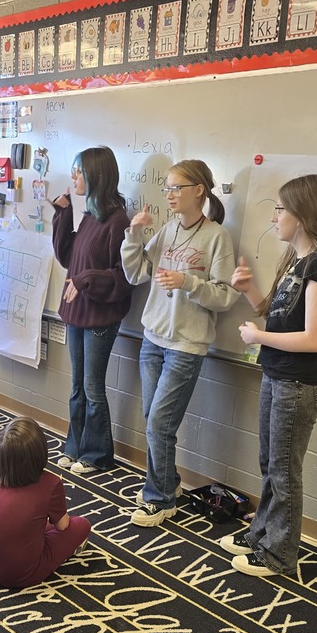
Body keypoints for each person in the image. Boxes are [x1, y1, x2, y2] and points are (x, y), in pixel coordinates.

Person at [221, 173, 317, 577]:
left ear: (304, 215)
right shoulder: (296, 261)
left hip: (300, 382)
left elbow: (313, 338)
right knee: (269, 463)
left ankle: (278, 555)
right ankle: (262, 533)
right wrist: (249, 292)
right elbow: (276, 319)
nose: (275, 217)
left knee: (284, 471)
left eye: (281, 209)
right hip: (278, 374)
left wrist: (257, 336)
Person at [121, 159, 243, 527]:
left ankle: (159, 499)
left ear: (199, 191)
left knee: (159, 422)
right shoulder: (168, 230)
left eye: (176, 188)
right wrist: (132, 234)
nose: (169, 195)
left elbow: (225, 297)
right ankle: (169, 484)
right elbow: (135, 273)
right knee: (153, 419)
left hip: (186, 347)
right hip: (152, 339)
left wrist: (187, 283)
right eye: (168, 188)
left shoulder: (217, 236)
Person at [51, 146, 132, 474]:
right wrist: (63, 214)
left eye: (78, 171)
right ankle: (75, 447)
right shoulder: (89, 215)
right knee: (76, 387)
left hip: (100, 315)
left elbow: (124, 277)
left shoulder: (118, 220)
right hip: (76, 313)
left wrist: (85, 280)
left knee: (92, 388)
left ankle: (97, 455)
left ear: (97, 175)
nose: (73, 178)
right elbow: (68, 258)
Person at [0, 417, 90, 588]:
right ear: (39, 455)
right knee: (82, 525)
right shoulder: (51, 483)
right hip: (20, 574)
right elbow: (63, 526)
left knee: (22, 524)